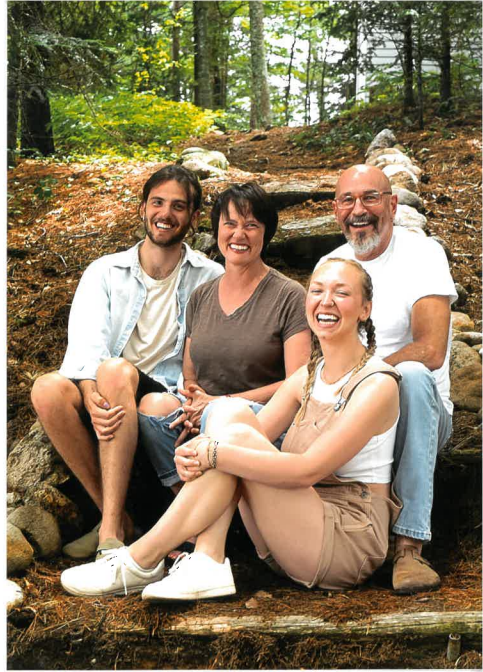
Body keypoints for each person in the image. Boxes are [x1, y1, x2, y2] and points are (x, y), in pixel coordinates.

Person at [60, 258, 402, 600]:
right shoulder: (308, 376)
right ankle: (207, 561)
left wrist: (213, 453)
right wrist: (197, 454)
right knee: (227, 412)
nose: (325, 301)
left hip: (344, 542)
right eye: (317, 291)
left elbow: (307, 469)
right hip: (291, 531)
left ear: (365, 309)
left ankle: (139, 560)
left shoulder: (377, 384)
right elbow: (247, 435)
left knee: (227, 445)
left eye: (341, 293)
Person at [31, 165, 224, 561]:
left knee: (116, 371)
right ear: (142, 209)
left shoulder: (210, 276)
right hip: (108, 390)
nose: (165, 214)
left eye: (178, 206)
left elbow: (213, 352)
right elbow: (86, 347)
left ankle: (109, 537)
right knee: (47, 389)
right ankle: (116, 521)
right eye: (157, 203)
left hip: (163, 396)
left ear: (193, 216)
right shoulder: (105, 271)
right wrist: (88, 395)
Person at [316, 164, 457, 594]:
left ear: (393, 204)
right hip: (353, 409)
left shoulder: (423, 253)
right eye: (348, 200)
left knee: (412, 376)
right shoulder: (330, 266)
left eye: (370, 198)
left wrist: (365, 380)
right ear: (335, 209)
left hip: (419, 410)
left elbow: (430, 350)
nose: (359, 210)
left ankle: (409, 547)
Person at [136, 182, 311, 497]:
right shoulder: (202, 295)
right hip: (204, 414)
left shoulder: (288, 295)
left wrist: (217, 406)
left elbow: (297, 382)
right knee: (153, 406)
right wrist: (194, 404)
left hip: (259, 420)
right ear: (217, 229)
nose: (238, 234)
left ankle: (202, 522)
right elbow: (189, 373)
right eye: (229, 224)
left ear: (265, 233)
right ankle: (185, 499)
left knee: (222, 419)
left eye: (251, 226)